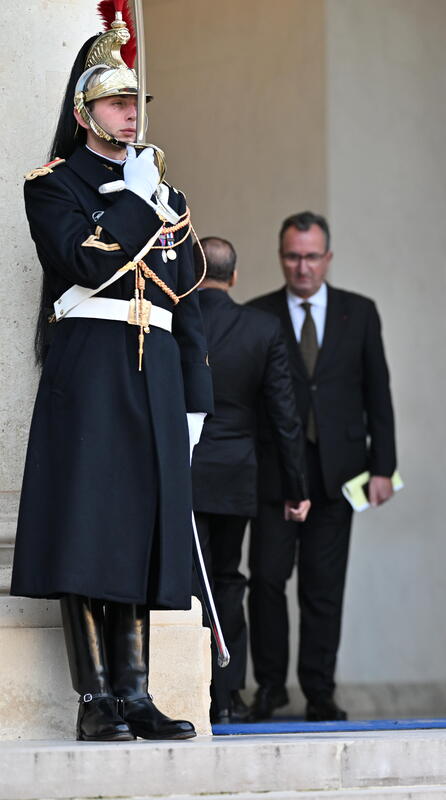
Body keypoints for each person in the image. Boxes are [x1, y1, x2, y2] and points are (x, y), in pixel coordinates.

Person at [10, 11, 212, 741]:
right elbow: (85, 260)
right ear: (84, 113)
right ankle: (95, 700)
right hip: (92, 366)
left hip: (153, 371)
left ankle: (135, 694)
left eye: (135, 103)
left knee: (138, 527)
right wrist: (135, 199)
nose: (131, 114)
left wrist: (196, 399)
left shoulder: (161, 190)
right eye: (116, 103)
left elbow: (186, 291)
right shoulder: (54, 186)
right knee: (87, 524)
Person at [246, 211, 397, 722]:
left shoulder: (360, 312)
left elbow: (378, 392)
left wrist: (384, 466)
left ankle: (319, 691)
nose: (303, 267)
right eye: (293, 256)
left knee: (323, 586)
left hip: (340, 471)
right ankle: (270, 687)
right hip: (274, 472)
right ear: (280, 256)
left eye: (312, 257)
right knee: (267, 581)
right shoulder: (258, 314)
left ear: (328, 257)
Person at [191, 236, 311, 724]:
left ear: (194, 273)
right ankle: (226, 697)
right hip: (237, 473)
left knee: (188, 583)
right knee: (228, 580)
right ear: (235, 276)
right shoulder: (262, 328)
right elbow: (285, 417)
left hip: (183, 469)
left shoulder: (174, 320)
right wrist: (296, 487)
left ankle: (188, 691)